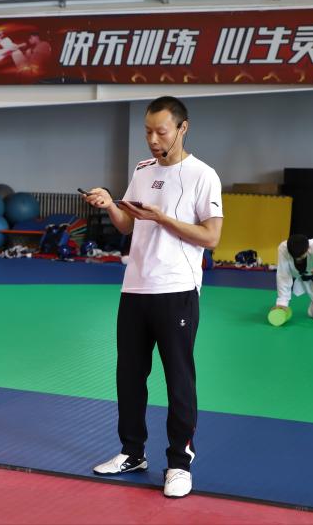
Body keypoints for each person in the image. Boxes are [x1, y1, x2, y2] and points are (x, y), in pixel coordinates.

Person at [82, 96, 223, 499]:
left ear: (182, 128)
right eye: (147, 131)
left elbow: (212, 237)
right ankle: (132, 452)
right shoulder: (143, 170)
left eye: (161, 131)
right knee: (129, 376)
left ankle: (179, 463)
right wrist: (109, 204)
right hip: (135, 288)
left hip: (176, 290)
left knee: (179, 379)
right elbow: (127, 224)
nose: (153, 139)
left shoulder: (202, 175)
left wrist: (163, 218)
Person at [273, 234, 313, 321]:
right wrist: (282, 302)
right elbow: (283, 275)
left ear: (307, 248)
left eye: (301, 256)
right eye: (296, 258)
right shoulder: (283, 249)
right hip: (304, 277)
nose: (298, 260)